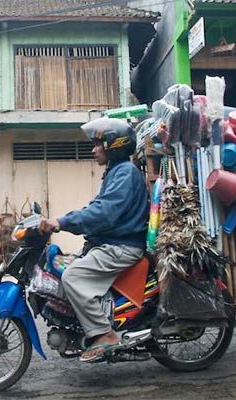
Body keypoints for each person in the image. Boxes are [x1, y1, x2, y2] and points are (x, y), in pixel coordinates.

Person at [38, 117, 149, 362]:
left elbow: (103, 214)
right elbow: (98, 209)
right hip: (111, 243)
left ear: (113, 145)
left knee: (73, 276)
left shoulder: (125, 173)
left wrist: (62, 222)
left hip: (122, 247)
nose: (94, 149)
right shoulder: (116, 172)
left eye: (99, 144)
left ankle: (104, 335)